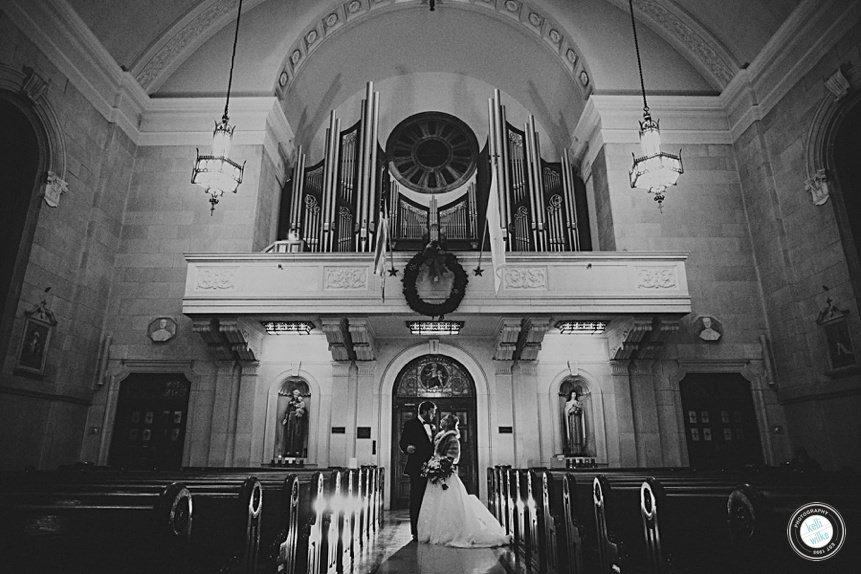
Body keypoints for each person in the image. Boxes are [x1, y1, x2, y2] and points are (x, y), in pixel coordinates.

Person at [417, 413, 509, 547]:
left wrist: (440, 467)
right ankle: (431, 531)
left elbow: (452, 457)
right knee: (435, 503)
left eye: (444, 419)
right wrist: (432, 465)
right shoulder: (440, 436)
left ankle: (448, 533)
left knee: (448, 503)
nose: (441, 421)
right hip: (436, 477)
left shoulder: (452, 438)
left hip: (445, 476)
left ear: (448, 423)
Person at [399, 400, 437, 540]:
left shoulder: (432, 426)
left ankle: (428, 528)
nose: (433, 415)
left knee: (430, 499)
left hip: (432, 468)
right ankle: (415, 531)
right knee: (416, 498)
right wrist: (407, 448)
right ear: (425, 411)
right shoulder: (411, 424)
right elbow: (403, 442)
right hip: (416, 467)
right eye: (432, 412)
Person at [282, 389, 307, 456]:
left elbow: (304, 412)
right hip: (291, 418)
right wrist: (285, 419)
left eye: (297, 394)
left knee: (297, 434)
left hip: (298, 419)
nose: (295, 395)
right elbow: (287, 411)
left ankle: (297, 451)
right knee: (289, 434)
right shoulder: (290, 402)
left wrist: (299, 410)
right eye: (294, 394)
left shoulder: (301, 402)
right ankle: (288, 450)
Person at [564, 389, 585, 455]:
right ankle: (572, 450)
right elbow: (566, 412)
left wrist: (577, 410)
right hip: (571, 420)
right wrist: (571, 411)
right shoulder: (568, 403)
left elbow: (582, 412)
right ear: (570, 395)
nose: (574, 395)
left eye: (575, 394)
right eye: (573, 394)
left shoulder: (578, 402)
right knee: (572, 433)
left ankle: (579, 450)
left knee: (578, 433)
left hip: (577, 419)